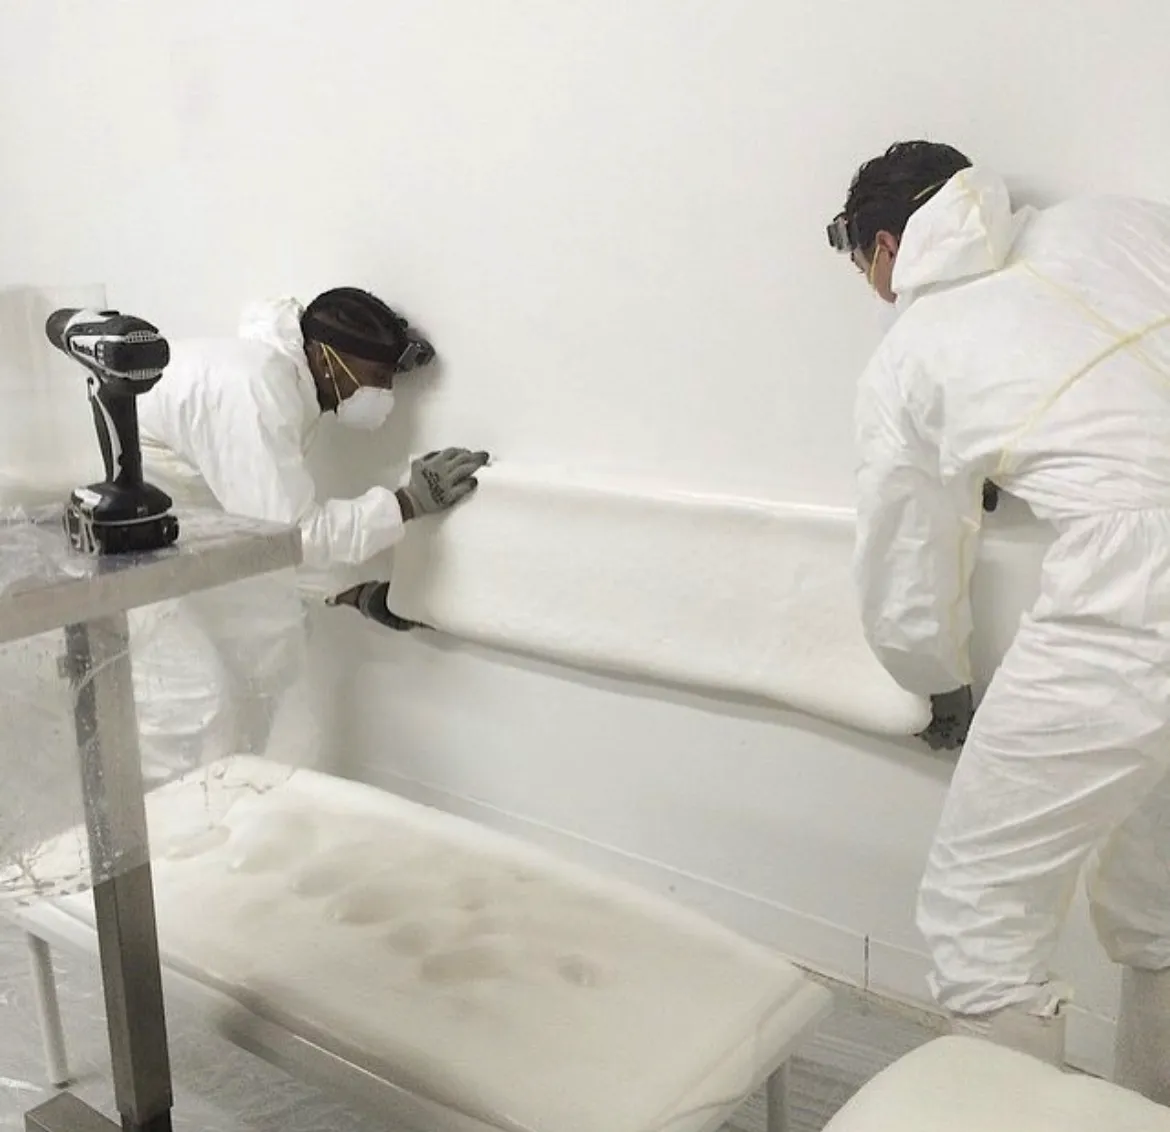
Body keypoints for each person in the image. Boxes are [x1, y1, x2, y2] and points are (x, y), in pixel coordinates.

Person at [830, 141, 1170, 1100]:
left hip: (1135, 588)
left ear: (886, 244)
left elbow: (904, 561)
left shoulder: (911, 351)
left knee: (981, 925)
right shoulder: (1118, 220)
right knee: (1161, 898)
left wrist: (936, 678)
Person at [133, 287, 488, 779]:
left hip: (173, 540)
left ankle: (223, 826)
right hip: (120, 553)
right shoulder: (256, 389)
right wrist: (406, 502)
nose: (383, 397)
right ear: (326, 359)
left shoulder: (283, 388)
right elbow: (287, 537)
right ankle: (173, 847)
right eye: (377, 379)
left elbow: (257, 530)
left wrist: (352, 592)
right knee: (188, 708)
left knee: (267, 655)